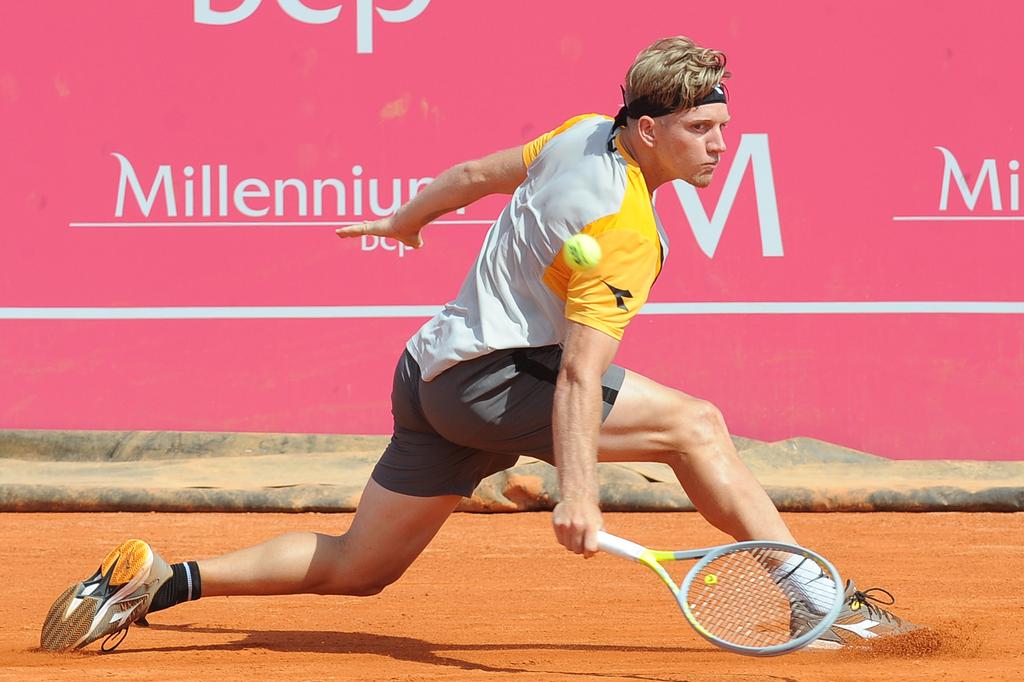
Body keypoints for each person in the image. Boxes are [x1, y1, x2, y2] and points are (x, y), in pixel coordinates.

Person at [40, 36, 916, 653]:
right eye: (702, 129)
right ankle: (820, 604)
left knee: (359, 567)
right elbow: (577, 378)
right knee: (698, 426)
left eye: (723, 126)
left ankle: (156, 581)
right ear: (649, 128)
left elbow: (467, 178)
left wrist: (403, 220)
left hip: (427, 374)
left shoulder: (579, 133)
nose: (721, 144)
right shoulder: (624, 232)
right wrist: (580, 495)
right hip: (495, 385)